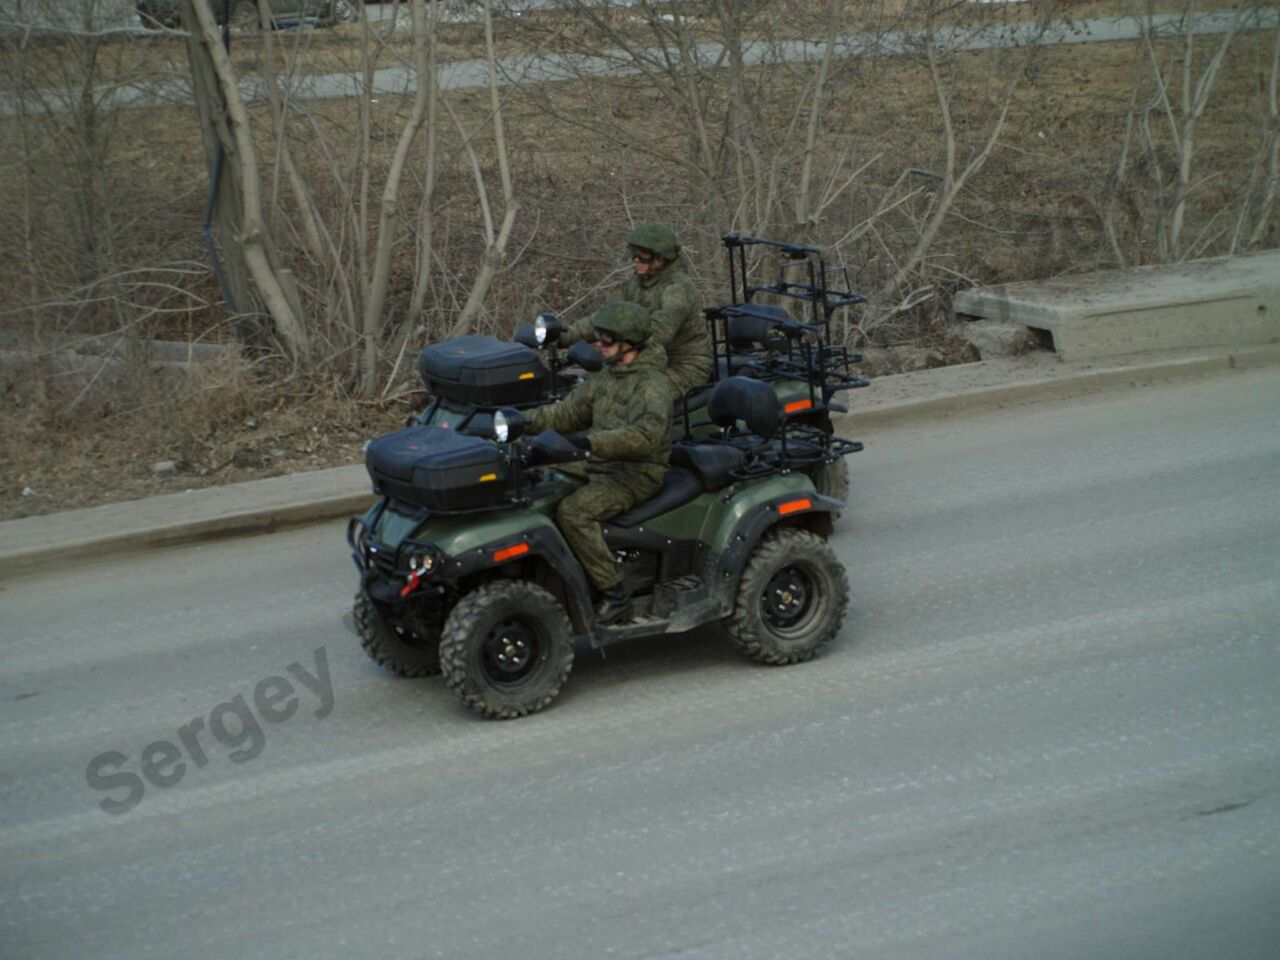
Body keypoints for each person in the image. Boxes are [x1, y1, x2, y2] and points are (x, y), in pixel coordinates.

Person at [527, 300, 673, 624]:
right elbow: (566, 413)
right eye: (599, 338)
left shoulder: (652, 384)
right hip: (599, 460)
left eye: (606, 340)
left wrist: (588, 443)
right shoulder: (608, 375)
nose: (598, 345)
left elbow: (645, 437)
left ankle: (614, 592)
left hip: (636, 472)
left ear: (629, 343)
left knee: (575, 512)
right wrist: (519, 424)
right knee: (538, 480)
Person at [561, 223, 712, 403]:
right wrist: (564, 336)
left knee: (632, 398)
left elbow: (660, 331)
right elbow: (607, 317)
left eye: (644, 256)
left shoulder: (677, 289)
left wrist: (616, 346)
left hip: (683, 367)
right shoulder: (637, 283)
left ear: (662, 259)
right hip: (647, 364)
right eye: (634, 253)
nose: (636, 260)